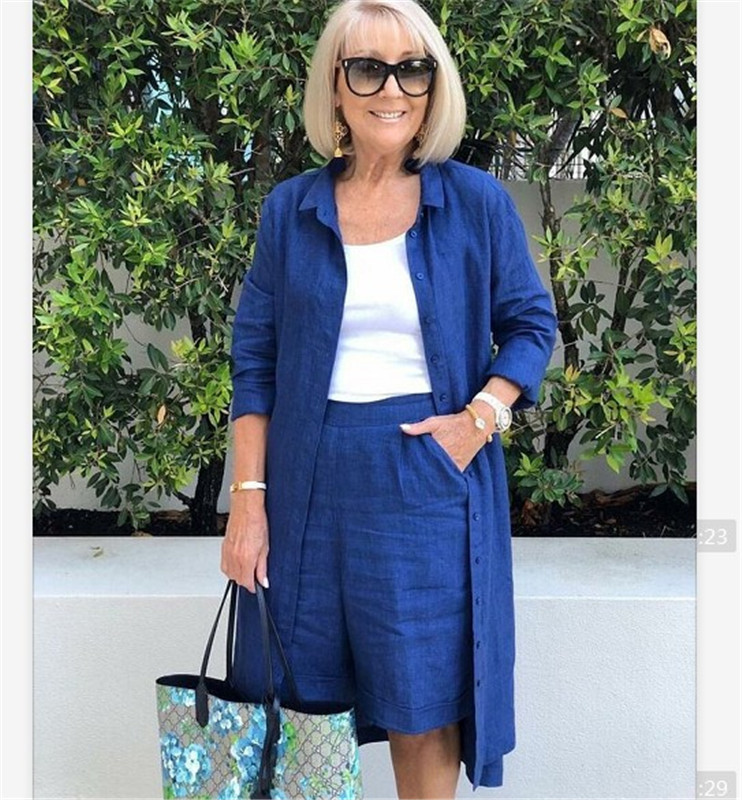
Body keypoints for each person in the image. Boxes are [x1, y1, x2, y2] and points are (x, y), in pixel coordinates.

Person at [222, 0, 557, 795]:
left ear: (434, 86)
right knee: (297, 704)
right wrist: (248, 501)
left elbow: (531, 325)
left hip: (425, 479)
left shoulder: (474, 202)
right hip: (305, 486)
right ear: (336, 86)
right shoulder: (290, 209)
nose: (392, 90)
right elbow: (255, 361)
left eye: (412, 70)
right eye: (368, 69)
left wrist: (480, 419)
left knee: (423, 709)